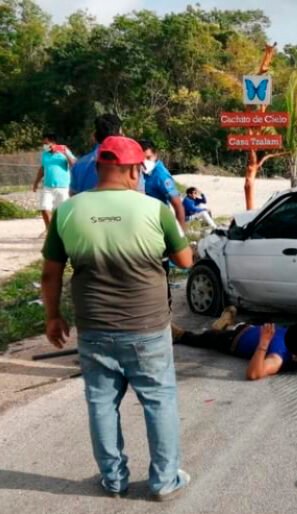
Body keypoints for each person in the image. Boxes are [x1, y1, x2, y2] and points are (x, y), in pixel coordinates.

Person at [41, 135, 194, 501]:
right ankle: (163, 480)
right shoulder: (154, 210)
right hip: (147, 328)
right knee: (158, 401)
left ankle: (113, 480)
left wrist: (52, 318)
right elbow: (185, 261)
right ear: (133, 170)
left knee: (101, 403)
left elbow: (50, 274)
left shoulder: (67, 212)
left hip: (93, 328)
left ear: (97, 168)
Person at [173, 306, 297, 380]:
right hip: (253, 327)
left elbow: (253, 374)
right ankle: (225, 323)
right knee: (261, 318)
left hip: (232, 340)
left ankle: (179, 334)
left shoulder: (277, 359)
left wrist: (264, 343)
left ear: (296, 358)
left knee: (205, 338)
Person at [70, 114, 145, 195]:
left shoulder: (79, 164)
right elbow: (140, 195)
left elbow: (74, 195)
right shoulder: (131, 163)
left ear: (94, 136)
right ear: (121, 134)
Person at [32, 133, 76, 230]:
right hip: (48, 186)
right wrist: (36, 182)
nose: (45, 146)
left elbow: (74, 164)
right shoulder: (44, 154)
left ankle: (64, 231)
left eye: (47, 143)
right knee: (44, 208)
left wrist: (65, 152)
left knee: (63, 212)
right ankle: (50, 230)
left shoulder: (64, 152)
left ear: (53, 142)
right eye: (43, 144)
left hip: (63, 187)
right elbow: (43, 168)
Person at [139, 140, 186, 228]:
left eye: (148, 158)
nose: (145, 163)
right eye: (141, 159)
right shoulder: (140, 172)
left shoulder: (161, 176)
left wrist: (181, 234)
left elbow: (178, 205)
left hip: (158, 221)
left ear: (155, 155)